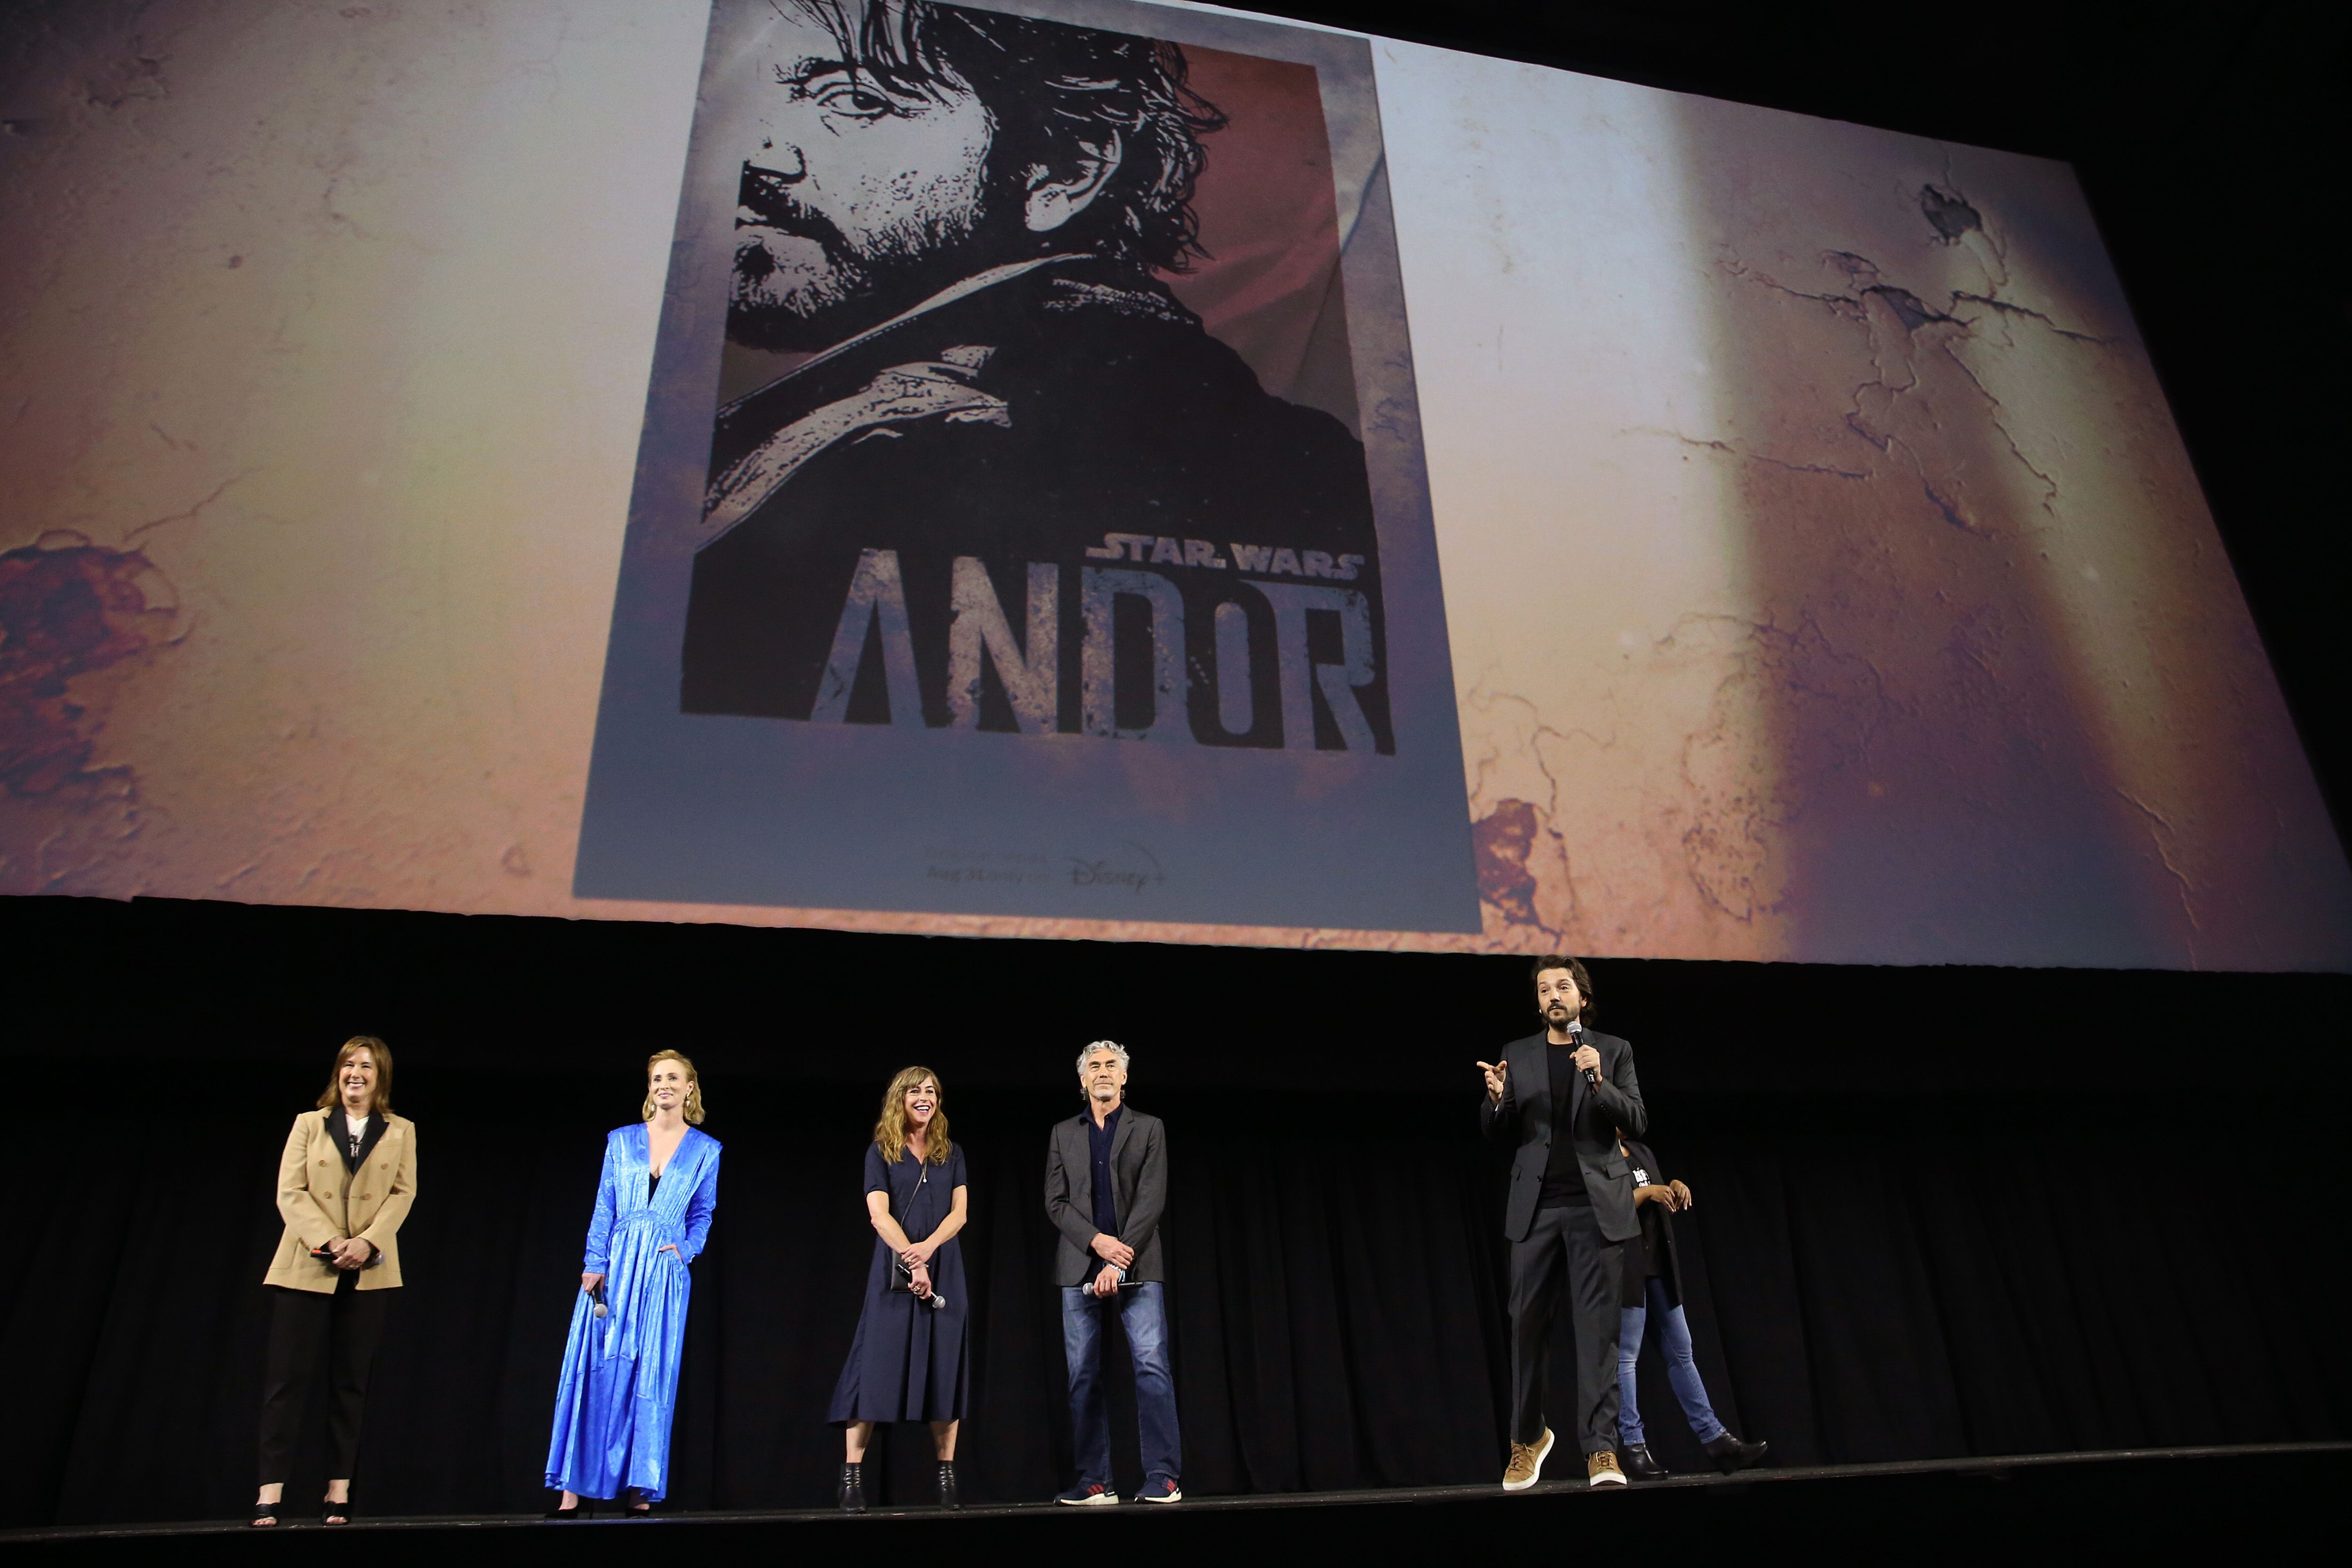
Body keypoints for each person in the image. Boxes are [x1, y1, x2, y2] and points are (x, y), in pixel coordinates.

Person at [683, 0, 1393, 754]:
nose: (758, 155)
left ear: (1065, 171)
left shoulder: (911, 445)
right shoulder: (1292, 451)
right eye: (748, 101)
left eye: (856, 101)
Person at [1477, 956, 1645, 1490]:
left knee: (1597, 1337)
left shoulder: (1611, 1051)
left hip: (1597, 1209)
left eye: (1563, 987)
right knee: (1525, 1328)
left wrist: (1598, 1080)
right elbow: (1497, 1131)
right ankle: (1527, 1440)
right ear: (1538, 1002)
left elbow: (1636, 1120)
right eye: (1544, 989)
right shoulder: (1516, 1055)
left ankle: (1600, 1449)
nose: (1553, 995)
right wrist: (1497, 1103)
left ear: (1581, 998)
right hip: (1537, 1211)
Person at [544, 1051, 722, 1517]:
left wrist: (685, 1250)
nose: (664, 1085)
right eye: (656, 1078)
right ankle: (571, 1492)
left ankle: (639, 1487)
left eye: (673, 1078)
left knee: (651, 1373)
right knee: (594, 1367)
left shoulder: (706, 1150)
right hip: (616, 1266)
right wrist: (593, 1261)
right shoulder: (621, 1142)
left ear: (689, 1089)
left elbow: (702, 1214)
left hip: (663, 1274)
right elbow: (604, 1206)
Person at [252, 1035, 417, 1528]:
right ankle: (269, 1493)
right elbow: (290, 1190)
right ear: (338, 1073)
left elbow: (403, 1193)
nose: (356, 1073)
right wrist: (329, 1242)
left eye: (366, 1066)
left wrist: (366, 1242)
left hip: (368, 1269)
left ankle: (337, 1492)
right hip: (308, 1263)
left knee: (350, 1385)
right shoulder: (309, 1124)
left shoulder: (400, 1130)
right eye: (349, 1065)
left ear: (379, 1076)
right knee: (286, 1383)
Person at [831, 1066, 972, 1512]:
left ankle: (947, 1476)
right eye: (916, 1090)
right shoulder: (882, 1152)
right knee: (874, 1368)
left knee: (944, 1370)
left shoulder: (952, 1152)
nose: (925, 1097)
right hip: (894, 1271)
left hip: (944, 1268)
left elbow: (960, 1212)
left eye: (931, 1090)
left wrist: (929, 1251)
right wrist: (913, 1258)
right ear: (900, 1099)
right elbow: (879, 1214)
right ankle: (852, 1476)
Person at [1043, 1041, 1178, 1504]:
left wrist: (1117, 1257)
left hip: (1138, 1264)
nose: (1102, 1072)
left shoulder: (1149, 1128)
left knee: (1150, 1367)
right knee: (1082, 1375)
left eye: (1110, 1066)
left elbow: (1151, 1199)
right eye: (1093, 1067)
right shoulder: (1063, 1133)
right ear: (1082, 1081)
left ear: (1123, 1078)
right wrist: (1096, 1244)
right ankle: (1094, 1480)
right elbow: (1055, 1202)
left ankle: (1164, 1476)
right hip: (1077, 1268)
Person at [1613, 1133, 1768, 1479]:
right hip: (1627, 1268)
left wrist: (1672, 1185)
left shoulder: (1640, 1151)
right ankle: (1634, 1446)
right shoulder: (1594, 1154)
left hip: (1658, 1266)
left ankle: (1717, 1441)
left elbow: (1656, 1187)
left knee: (1682, 1353)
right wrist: (1648, 1192)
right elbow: (1606, 1206)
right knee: (1626, 1358)